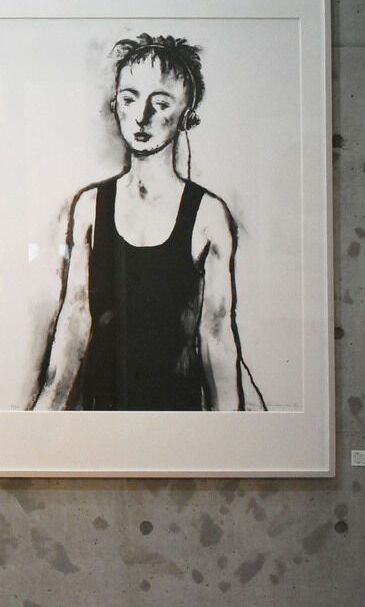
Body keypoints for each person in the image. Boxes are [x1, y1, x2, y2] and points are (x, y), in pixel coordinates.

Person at [30, 34, 265, 412]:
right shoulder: (90, 206)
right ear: (115, 106)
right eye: (129, 99)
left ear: (187, 115)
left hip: (179, 415)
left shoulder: (208, 215)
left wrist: (228, 430)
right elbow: (74, 322)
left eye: (161, 103)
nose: (142, 116)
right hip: (102, 413)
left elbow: (217, 337)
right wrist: (41, 417)